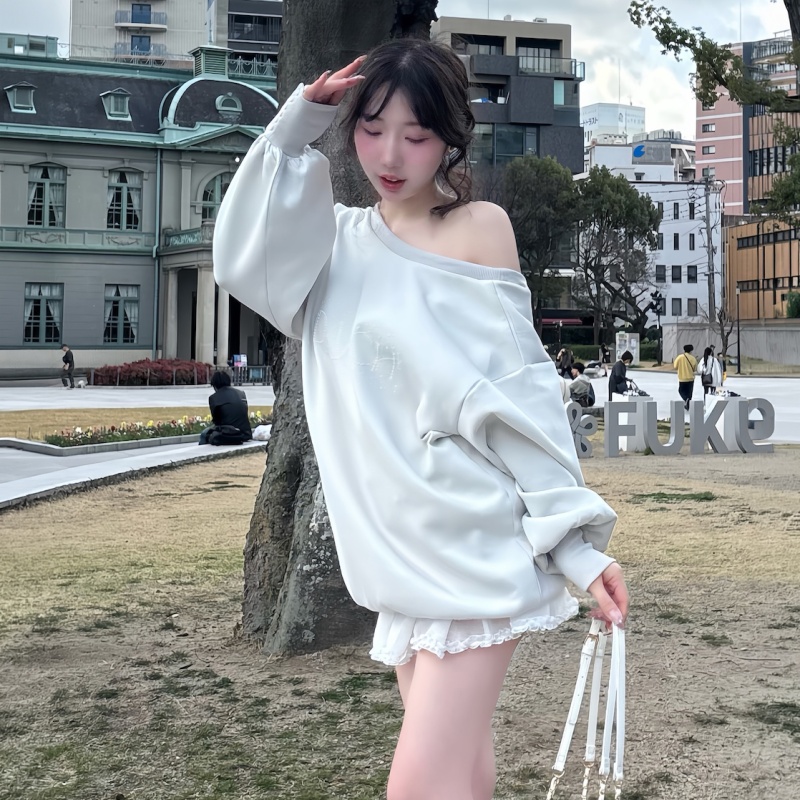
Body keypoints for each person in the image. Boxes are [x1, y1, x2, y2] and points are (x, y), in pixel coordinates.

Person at [213, 39, 628, 800]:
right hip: (399, 561)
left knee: (419, 787)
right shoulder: (330, 244)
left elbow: (518, 397)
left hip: (473, 549)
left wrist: (575, 549)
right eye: (372, 129)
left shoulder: (478, 229)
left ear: (450, 138)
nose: (390, 155)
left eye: (416, 134)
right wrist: (294, 127)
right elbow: (242, 261)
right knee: (460, 776)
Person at [199, 371, 252, 445]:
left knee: (204, 434)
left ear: (215, 385)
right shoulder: (241, 394)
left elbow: (216, 421)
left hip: (229, 434)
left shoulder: (214, 398)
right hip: (246, 434)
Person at [673, 344, 698, 411]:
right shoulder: (693, 358)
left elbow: (675, 366)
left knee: (681, 390)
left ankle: (685, 399)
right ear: (691, 350)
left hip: (682, 378)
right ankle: (688, 405)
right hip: (691, 378)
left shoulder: (680, 357)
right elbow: (695, 368)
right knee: (689, 393)